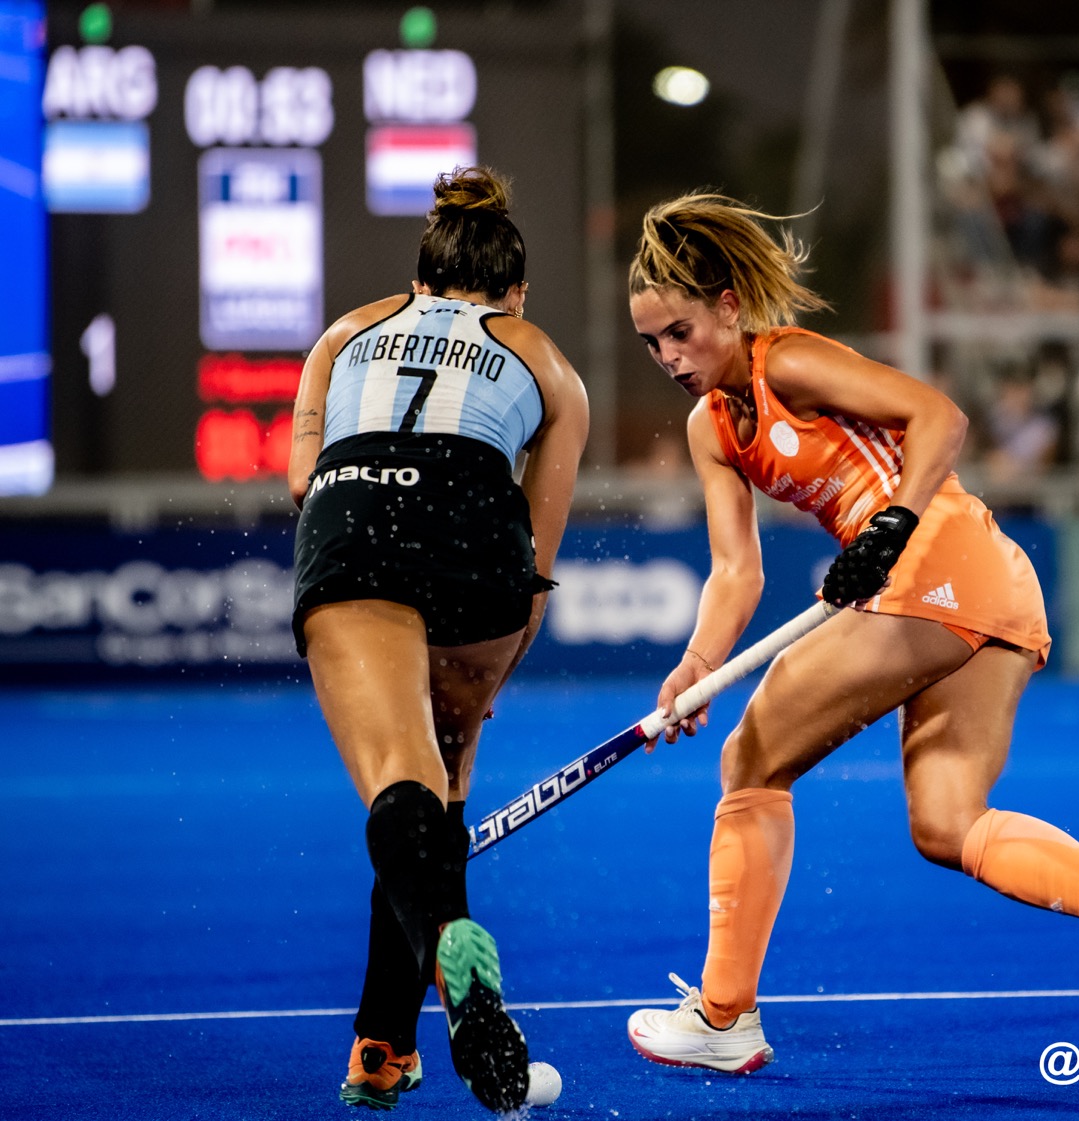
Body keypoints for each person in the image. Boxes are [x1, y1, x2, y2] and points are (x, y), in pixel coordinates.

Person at [621, 193, 1079, 1075]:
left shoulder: (788, 360)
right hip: (984, 587)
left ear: (729, 306)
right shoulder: (710, 428)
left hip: (938, 559)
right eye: (651, 343)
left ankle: (723, 1013)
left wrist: (892, 524)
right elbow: (736, 570)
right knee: (947, 823)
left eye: (680, 331)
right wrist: (698, 665)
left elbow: (939, 415)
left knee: (751, 759)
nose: (670, 357)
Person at [288, 167, 589, 1110]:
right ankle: (382, 1045)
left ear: (418, 280)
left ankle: (449, 946)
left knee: (397, 777)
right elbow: (536, 559)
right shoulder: (547, 361)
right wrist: (490, 675)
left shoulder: (343, 333)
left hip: (356, 511)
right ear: (517, 291)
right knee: (439, 785)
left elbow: (301, 479)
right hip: (478, 541)